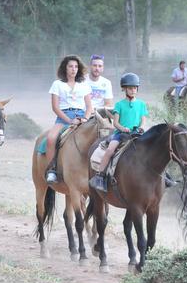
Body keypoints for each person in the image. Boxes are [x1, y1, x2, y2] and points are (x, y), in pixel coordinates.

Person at [90, 72, 150, 193]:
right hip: (121, 134)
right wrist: (123, 128)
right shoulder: (119, 104)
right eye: (130, 88)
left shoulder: (142, 104)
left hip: (137, 133)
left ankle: (166, 176)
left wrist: (141, 128)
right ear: (124, 89)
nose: (133, 90)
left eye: (134, 88)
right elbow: (115, 123)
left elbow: (143, 120)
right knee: (110, 150)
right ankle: (100, 176)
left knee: (153, 148)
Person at [44, 55, 94, 183]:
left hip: (82, 116)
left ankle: (98, 172)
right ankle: (51, 170)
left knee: (99, 136)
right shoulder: (57, 84)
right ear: (65, 68)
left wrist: (85, 118)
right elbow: (55, 107)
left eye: (76, 67)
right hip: (63, 117)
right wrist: (69, 120)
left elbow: (89, 106)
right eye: (70, 66)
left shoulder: (84, 85)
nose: (73, 69)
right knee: (51, 138)